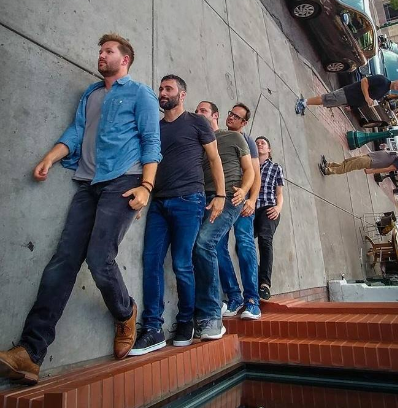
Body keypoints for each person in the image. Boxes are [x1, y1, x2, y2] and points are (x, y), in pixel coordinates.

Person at [0, 33, 161, 385]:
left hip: (124, 180)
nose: (101, 55)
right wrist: (50, 157)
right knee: (62, 262)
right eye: (100, 51)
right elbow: (76, 131)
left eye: (108, 51)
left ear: (125, 59)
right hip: (88, 184)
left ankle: (125, 312)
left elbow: (151, 141)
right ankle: (30, 352)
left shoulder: (141, 93)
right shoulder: (91, 94)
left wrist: (146, 187)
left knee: (99, 258)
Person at [129, 76, 225, 356]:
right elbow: (148, 163)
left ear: (182, 95)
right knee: (151, 262)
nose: (163, 92)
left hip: (189, 200)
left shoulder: (197, 123)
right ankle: (153, 328)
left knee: (183, 264)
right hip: (158, 203)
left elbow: (214, 159)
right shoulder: (156, 127)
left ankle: (185, 322)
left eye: (168, 89)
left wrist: (220, 195)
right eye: (161, 88)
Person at [193, 101, 254, 339]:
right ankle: (223, 300)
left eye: (203, 111)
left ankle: (213, 315)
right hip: (203, 198)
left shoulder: (235, 137)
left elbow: (250, 170)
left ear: (215, 115)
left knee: (204, 243)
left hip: (230, 197)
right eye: (196, 111)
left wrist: (246, 192)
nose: (198, 114)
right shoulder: (200, 140)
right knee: (207, 247)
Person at [217, 103, 262, 320]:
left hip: (242, 202)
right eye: (230, 113)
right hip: (222, 201)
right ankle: (234, 296)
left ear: (244, 122)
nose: (231, 117)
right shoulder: (220, 137)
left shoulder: (247, 141)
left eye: (236, 116)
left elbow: (255, 174)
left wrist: (252, 199)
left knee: (245, 245)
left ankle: (252, 300)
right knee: (217, 246)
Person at [254, 136, 285, 301]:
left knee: (265, 240)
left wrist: (278, 208)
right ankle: (259, 273)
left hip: (269, 209)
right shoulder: (250, 164)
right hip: (251, 209)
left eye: (263, 143)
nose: (259, 144)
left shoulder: (275, 167)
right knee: (241, 245)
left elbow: (279, 193)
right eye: (257, 143)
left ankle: (264, 284)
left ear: (269, 149)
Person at [295, 76, 398, 115]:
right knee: (325, 99)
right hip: (349, 92)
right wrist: (367, 97)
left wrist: (353, 107)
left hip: (351, 100)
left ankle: (306, 103)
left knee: (327, 102)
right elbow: (364, 81)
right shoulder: (382, 80)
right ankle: (303, 102)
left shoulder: (386, 92)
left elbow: (369, 100)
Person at [318, 146, 398, 176]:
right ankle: (329, 165)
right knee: (347, 161)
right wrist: (385, 148)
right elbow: (388, 155)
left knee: (348, 166)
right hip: (370, 156)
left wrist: (371, 171)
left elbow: (388, 169)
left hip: (371, 161)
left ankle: (328, 171)